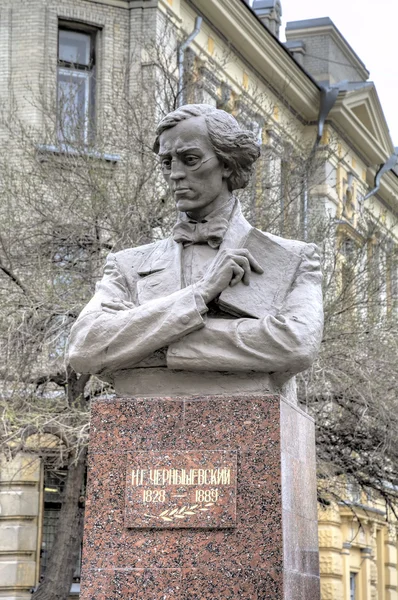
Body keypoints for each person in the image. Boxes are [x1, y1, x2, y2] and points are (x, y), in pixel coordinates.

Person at [67, 104, 323, 401]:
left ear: (227, 163)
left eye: (191, 159)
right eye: (166, 162)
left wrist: (153, 342)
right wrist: (199, 294)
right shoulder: (127, 265)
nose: (176, 174)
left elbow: (296, 345)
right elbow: (84, 347)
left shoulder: (291, 258)